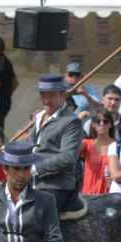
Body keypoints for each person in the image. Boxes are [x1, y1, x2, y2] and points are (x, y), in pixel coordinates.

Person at [26, 74, 85, 215]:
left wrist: (35, 168)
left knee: (32, 219)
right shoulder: (39, 117)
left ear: (63, 95)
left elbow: (68, 157)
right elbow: (30, 147)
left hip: (56, 185)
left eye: (51, 95)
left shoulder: (71, 121)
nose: (46, 100)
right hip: (30, 182)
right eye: (43, 95)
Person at [80, 111, 115, 196]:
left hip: (111, 194)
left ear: (110, 125)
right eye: (98, 121)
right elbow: (71, 150)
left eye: (105, 121)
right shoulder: (86, 143)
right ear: (92, 125)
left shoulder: (118, 145)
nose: (102, 124)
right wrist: (79, 120)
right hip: (89, 194)